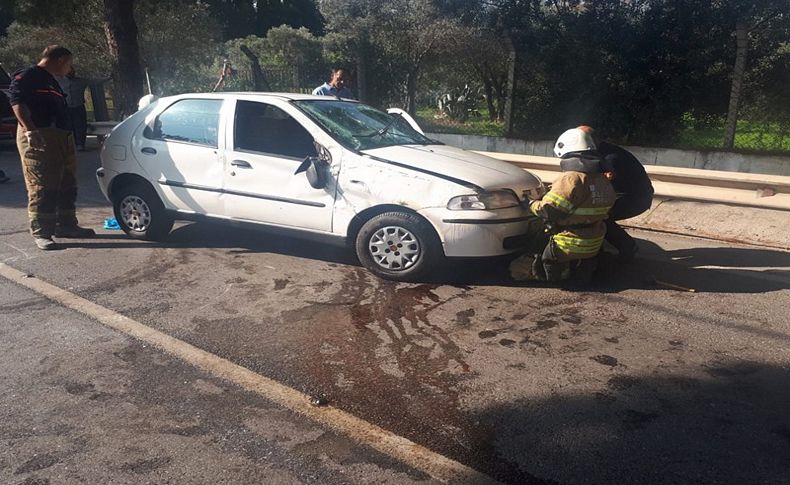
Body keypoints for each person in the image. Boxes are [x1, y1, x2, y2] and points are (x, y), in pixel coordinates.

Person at [8, 45, 95, 250]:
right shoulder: (29, 75)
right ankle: (42, 233)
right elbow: (16, 101)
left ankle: (66, 225)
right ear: (60, 60)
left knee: (67, 183)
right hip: (40, 135)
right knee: (42, 186)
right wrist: (30, 130)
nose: (69, 69)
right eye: (69, 63)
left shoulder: (51, 80)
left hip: (60, 137)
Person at [511, 128, 616, 285]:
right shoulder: (601, 178)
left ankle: (557, 282)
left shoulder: (571, 178)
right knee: (584, 269)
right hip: (594, 239)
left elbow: (550, 210)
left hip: (570, 242)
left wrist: (531, 204)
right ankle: (583, 275)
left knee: (544, 257)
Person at [578, 125, 654, 262]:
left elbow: (603, 186)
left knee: (597, 215)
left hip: (635, 198)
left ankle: (627, 246)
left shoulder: (610, 158)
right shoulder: (599, 151)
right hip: (630, 194)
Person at [56, 67, 109, 151]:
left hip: (78, 107)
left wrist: (108, 78)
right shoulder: (58, 80)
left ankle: (80, 144)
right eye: (68, 72)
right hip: (65, 107)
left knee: (80, 126)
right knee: (67, 127)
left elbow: (94, 82)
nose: (70, 73)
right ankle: (69, 145)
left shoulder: (81, 81)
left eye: (72, 72)